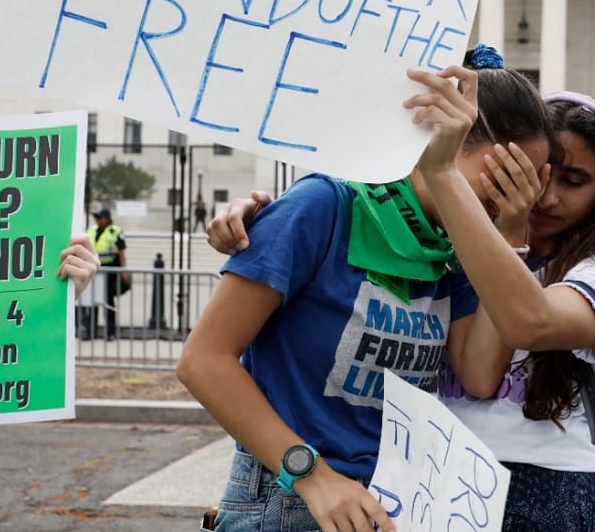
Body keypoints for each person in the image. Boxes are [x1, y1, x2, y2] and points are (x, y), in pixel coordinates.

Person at [177, 50, 554, 532]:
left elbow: (480, 374)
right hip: (292, 497)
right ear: (441, 138)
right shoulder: (322, 206)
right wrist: (311, 476)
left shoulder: (455, 252)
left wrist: (509, 230)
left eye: (528, 185)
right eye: (505, 173)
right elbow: (203, 360)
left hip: (389, 503)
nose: (513, 193)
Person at [415, 75, 595, 531]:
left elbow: (527, 322)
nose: (545, 197)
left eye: (573, 181)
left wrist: (512, 232)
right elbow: (477, 377)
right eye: (535, 172)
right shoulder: (454, 249)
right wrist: (253, 219)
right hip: (443, 480)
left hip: (550, 491)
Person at [83, 207, 127, 341]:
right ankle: (91, 332)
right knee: (91, 303)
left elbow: (121, 253)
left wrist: (124, 271)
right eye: (96, 217)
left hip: (109, 273)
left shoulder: (115, 231)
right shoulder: (91, 230)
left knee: (108, 303)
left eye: (99, 217)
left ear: (107, 218)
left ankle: (110, 332)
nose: (97, 220)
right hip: (93, 271)